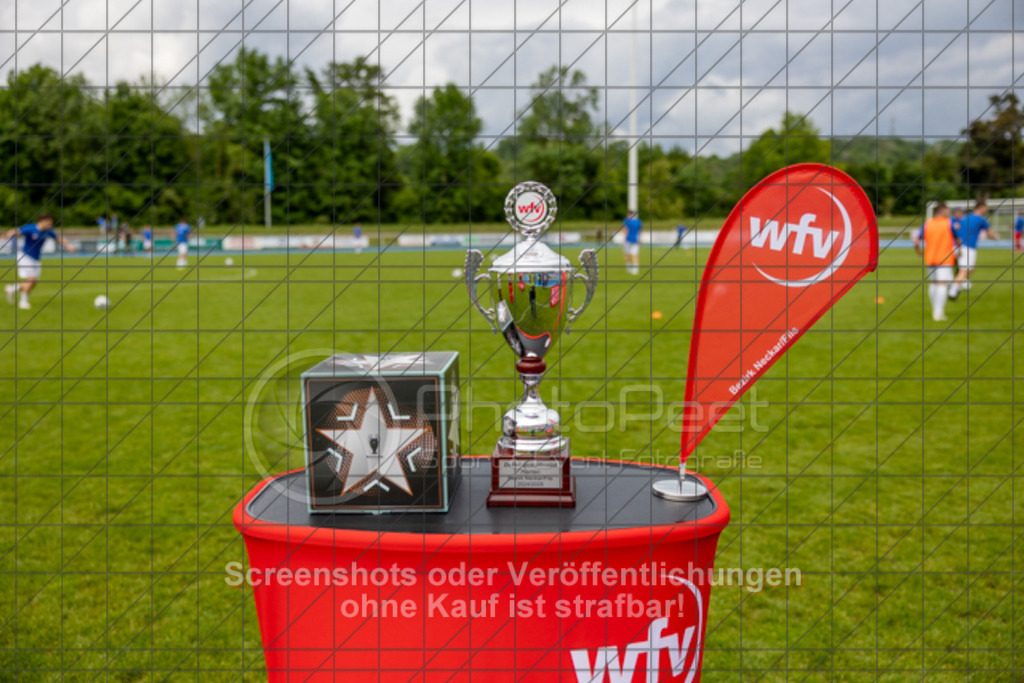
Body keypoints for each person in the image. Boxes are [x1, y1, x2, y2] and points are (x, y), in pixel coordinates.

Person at [4, 214, 77, 310]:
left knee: (33, 282)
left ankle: (12, 289)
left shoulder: (48, 231)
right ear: (42, 221)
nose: (50, 225)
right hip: (25, 256)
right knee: (32, 279)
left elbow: (58, 238)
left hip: (36, 259)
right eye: (49, 223)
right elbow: (16, 231)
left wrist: (68, 246)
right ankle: (23, 302)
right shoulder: (30, 228)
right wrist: (9, 234)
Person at [913, 203, 959, 322]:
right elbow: (957, 238)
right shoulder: (949, 223)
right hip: (945, 258)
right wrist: (960, 251)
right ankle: (938, 313)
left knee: (933, 284)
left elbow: (917, 241)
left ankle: (936, 309)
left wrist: (919, 251)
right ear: (943, 211)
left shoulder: (927, 224)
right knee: (942, 285)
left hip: (930, 258)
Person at [949, 202, 995, 300]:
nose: (987, 210)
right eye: (986, 208)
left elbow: (955, 230)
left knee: (970, 268)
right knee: (964, 270)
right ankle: (953, 290)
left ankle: (960, 282)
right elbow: (991, 235)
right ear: (981, 207)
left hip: (958, 246)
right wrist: (996, 237)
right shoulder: (981, 219)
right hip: (968, 247)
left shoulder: (964, 218)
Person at [622, 210, 642, 275]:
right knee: (634, 255)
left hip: (628, 239)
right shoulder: (638, 221)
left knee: (626, 254)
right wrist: (640, 239)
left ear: (628, 214)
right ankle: (636, 270)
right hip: (636, 240)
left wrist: (624, 240)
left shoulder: (626, 220)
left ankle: (629, 267)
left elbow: (626, 230)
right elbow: (640, 231)